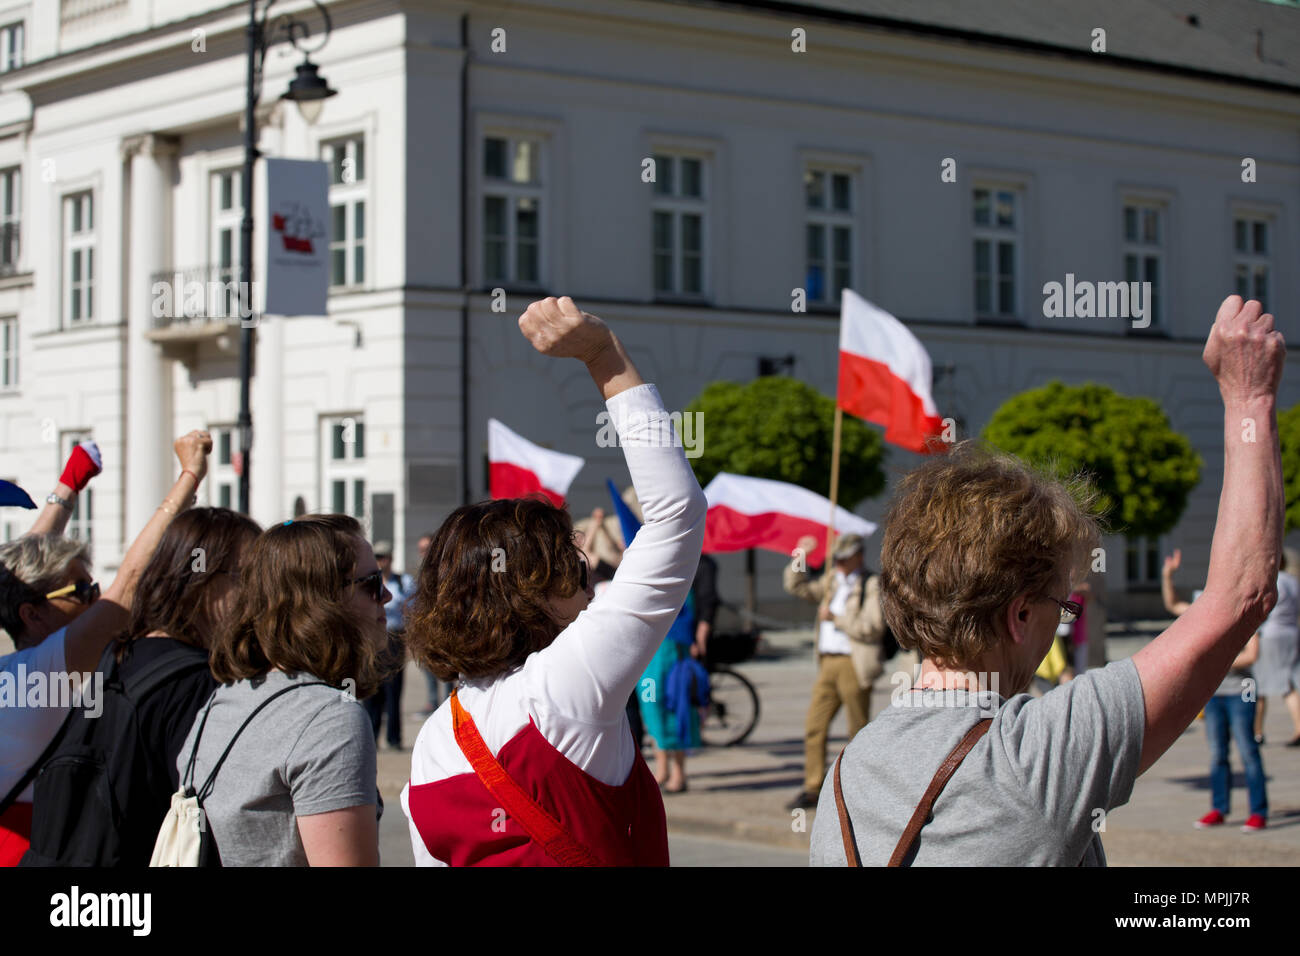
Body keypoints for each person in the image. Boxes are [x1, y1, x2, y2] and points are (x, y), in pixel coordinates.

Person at [811, 295, 1285, 866]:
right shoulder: (1028, 759)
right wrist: (1249, 396)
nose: (1061, 622)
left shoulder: (846, 772)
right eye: (1062, 606)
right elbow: (1241, 596)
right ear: (1018, 615)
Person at [401, 296, 706, 866]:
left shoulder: (434, 739)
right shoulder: (564, 685)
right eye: (571, 566)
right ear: (531, 593)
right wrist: (604, 356)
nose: (588, 581)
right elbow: (675, 516)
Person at [0, 432, 213, 866]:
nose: (96, 597)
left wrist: (68, 485)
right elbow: (130, 583)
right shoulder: (41, 674)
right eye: (81, 590)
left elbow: (18, 571)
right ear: (32, 615)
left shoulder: (16, 671)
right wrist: (189, 478)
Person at [21, 507, 260, 865]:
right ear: (202, 580)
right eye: (248, 576)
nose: (260, 594)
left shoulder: (120, 654)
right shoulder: (192, 683)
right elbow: (211, 815)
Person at [178, 514, 390, 866]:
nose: (387, 594)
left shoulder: (225, 698)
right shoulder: (329, 718)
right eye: (371, 583)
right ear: (323, 601)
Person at [783, 532, 886, 811]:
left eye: (844, 559)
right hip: (827, 661)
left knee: (857, 729)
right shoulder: (831, 581)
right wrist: (800, 555)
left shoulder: (871, 584)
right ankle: (813, 785)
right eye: (836, 559)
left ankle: (859, 787)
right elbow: (797, 586)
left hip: (853, 662)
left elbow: (873, 626)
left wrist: (837, 619)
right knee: (815, 725)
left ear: (858, 556)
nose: (839, 563)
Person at [1163, 574, 1267, 831]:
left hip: (1240, 692)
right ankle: (1219, 808)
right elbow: (1173, 605)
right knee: (1218, 753)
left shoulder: (1245, 613)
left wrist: (1218, 661)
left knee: (1247, 751)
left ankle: (1258, 812)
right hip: (1214, 694)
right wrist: (1166, 575)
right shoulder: (1205, 614)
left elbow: (1252, 655)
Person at [363, 541, 413, 751]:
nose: (380, 561)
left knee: (393, 692)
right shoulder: (365, 583)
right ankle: (371, 736)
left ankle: (394, 738)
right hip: (373, 640)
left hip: (394, 638)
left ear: (391, 559)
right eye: (377, 557)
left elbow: (413, 610)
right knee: (373, 693)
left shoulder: (403, 582)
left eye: (384, 557)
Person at [1251, 550, 1300, 746]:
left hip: (1271, 635)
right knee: (1287, 682)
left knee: (1259, 684)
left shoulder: (1271, 582)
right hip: (1291, 633)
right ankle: (1297, 726)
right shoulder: (1294, 582)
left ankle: (1256, 730)